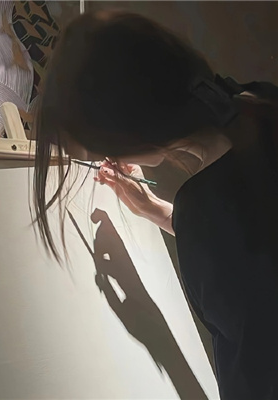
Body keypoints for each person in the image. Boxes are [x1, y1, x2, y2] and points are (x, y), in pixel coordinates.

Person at [32, 9, 278, 400]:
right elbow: (250, 236)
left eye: (102, 148)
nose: (108, 158)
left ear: (134, 134)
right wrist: (159, 211)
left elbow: (259, 368)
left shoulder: (207, 207)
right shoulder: (261, 102)